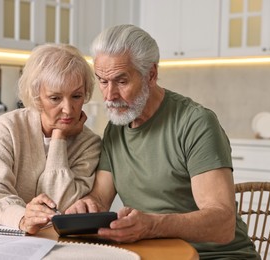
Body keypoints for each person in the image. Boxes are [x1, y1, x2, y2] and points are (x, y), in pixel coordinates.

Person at [66, 25, 260, 259]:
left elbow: (223, 224)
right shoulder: (115, 129)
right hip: (155, 254)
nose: (109, 96)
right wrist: (86, 206)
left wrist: (153, 226)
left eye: (121, 81)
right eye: (103, 82)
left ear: (151, 74)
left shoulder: (195, 123)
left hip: (217, 256)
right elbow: (99, 198)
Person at [0, 43, 101, 235]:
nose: (68, 109)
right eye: (55, 98)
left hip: (47, 239)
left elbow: (63, 205)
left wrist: (59, 137)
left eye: (76, 96)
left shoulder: (90, 144)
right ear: (37, 97)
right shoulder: (6, 128)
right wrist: (22, 218)